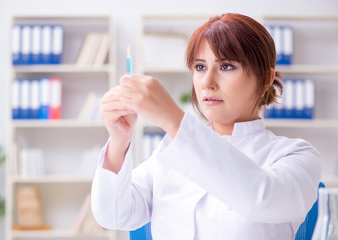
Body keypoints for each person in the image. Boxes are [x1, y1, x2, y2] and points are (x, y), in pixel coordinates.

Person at [91, 13, 321, 239]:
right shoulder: (168, 154)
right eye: (200, 67)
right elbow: (114, 215)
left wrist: (172, 118)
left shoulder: (296, 156)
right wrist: (119, 142)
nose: (208, 83)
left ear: (265, 79)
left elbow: (261, 198)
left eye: (227, 66)